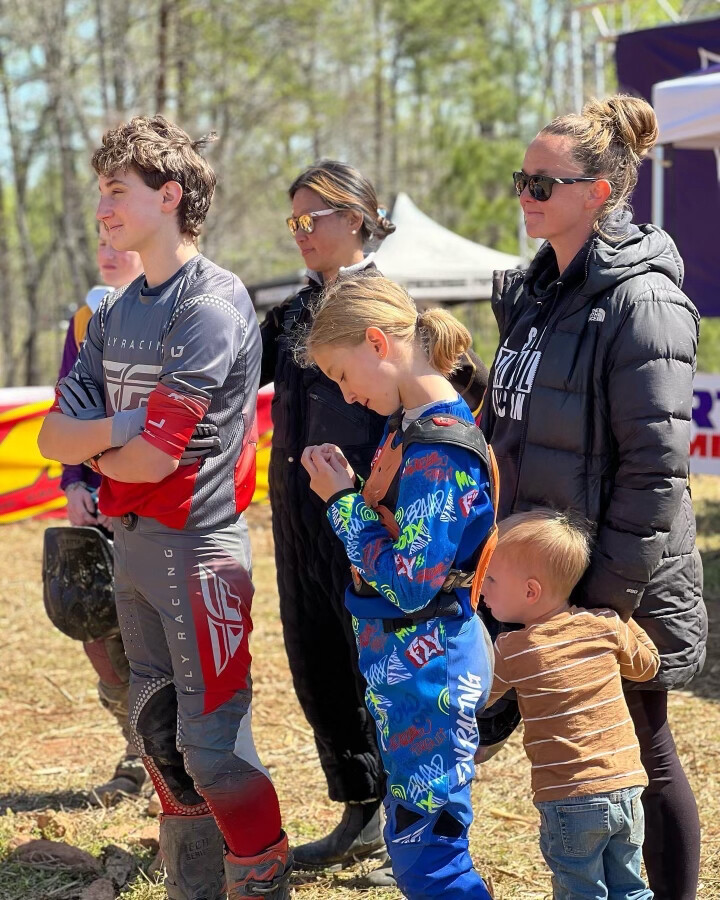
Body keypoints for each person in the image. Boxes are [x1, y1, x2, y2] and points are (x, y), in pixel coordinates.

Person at [38, 115, 291, 900]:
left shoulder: (211, 301)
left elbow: (154, 458)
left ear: (170, 196)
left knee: (213, 748)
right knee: (157, 735)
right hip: (133, 544)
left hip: (200, 550)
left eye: (117, 191)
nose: (102, 208)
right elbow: (53, 436)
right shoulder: (114, 311)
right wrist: (121, 433)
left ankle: (263, 880)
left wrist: (105, 446)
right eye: (101, 191)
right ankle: (194, 886)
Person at [480, 94, 706, 900]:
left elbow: (655, 469)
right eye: (522, 179)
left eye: (543, 183)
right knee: (600, 763)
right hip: (551, 576)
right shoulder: (539, 294)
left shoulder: (644, 302)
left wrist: (598, 605)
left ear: (598, 193)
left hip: (616, 583)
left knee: (644, 751)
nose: (526, 194)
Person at [260, 159, 488, 882]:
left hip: (375, 520)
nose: (299, 232)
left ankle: (412, 822)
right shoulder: (291, 315)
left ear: (357, 219)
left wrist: (374, 494)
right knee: (320, 662)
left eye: (312, 217)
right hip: (305, 518)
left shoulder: (395, 319)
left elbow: (461, 393)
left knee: (390, 675)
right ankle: (363, 810)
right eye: (291, 220)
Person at [299, 273, 496, 899]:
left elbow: (411, 583)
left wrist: (340, 502)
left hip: (430, 670)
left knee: (430, 857)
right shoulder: (409, 427)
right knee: (417, 844)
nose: (346, 394)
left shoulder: (437, 449)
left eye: (341, 374)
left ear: (378, 343)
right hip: (410, 671)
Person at [483, 508, 659, 900]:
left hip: (568, 796)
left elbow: (477, 697)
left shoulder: (512, 648)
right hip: (626, 785)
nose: (481, 589)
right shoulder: (605, 626)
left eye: (490, 578)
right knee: (631, 888)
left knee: (580, 892)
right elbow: (648, 667)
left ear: (530, 592)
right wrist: (622, 618)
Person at [53, 231, 146, 805]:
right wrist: (72, 484)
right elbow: (68, 404)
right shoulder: (86, 316)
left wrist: (125, 488)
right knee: (92, 626)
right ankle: (137, 746)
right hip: (94, 498)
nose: (108, 253)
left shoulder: (175, 310)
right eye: (101, 242)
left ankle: (161, 762)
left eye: (120, 242)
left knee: (150, 638)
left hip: (149, 497)